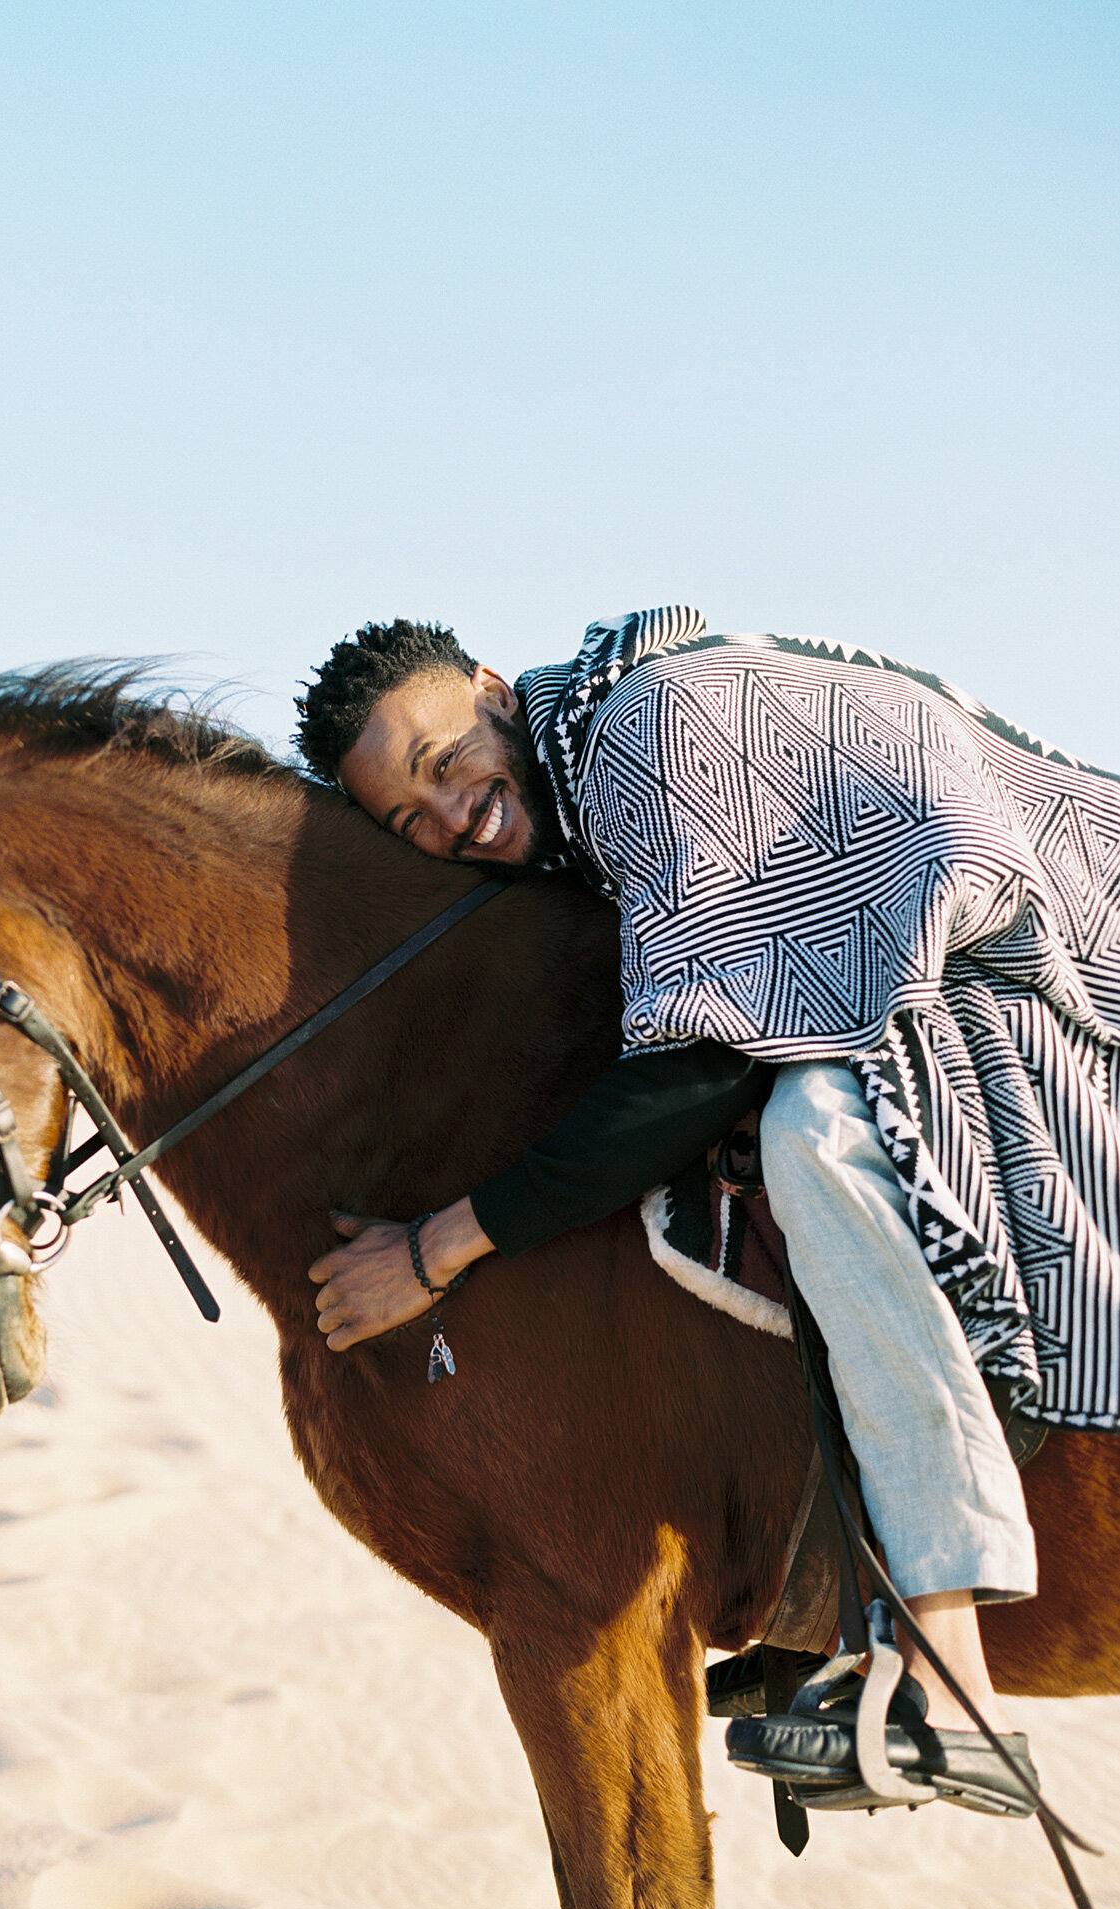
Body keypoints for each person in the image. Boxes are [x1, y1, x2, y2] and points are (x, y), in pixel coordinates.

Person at [293, 607, 1120, 1816]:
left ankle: (947, 1667)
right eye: (409, 820)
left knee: (820, 1132)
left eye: (440, 765)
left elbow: (704, 1059)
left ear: (487, 689)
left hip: (1043, 946)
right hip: (949, 943)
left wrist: (434, 1249)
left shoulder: (647, 729)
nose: (447, 818)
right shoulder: (580, 778)